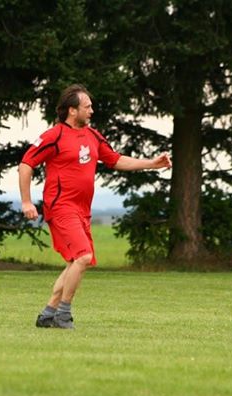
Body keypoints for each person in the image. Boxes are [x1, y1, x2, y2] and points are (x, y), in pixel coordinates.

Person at [19, 84, 172, 329]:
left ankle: (48, 313)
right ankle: (63, 315)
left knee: (75, 263)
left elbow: (116, 159)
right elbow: (26, 164)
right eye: (87, 106)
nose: (92, 110)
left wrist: (151, 164)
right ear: (72, 110)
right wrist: (26, 201)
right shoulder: (54, 136)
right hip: (60, 207)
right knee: (83, 256)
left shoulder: (92, 136)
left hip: (82, 211)